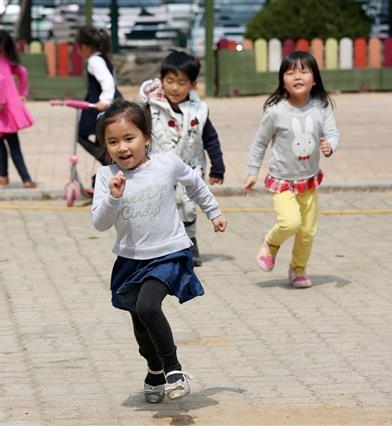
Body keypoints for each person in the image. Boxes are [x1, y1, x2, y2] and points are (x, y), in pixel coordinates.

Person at [91, 99, 228, 403]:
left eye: (130, 138)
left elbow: (195, 183)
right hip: (130, 259)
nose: (122, 147)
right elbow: (99, 224)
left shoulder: (166, 164)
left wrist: (214, 212)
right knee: (138, 319)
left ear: (146, 137)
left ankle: (173, 369)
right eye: (113, 142)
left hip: (169, 253)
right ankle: (154, 368)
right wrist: (113, 197)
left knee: (148, 307)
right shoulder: (106, 177)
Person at [241, 51, 339, 288]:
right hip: (282, 180)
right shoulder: (276, 111)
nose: (297, 76)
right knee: (290, 223)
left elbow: (332, 134)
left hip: (308, 180)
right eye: (290, 72)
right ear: (282, 80)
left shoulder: (321, 107)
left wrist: (330, 145)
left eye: (304, 71)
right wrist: (252, 171)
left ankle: (298, 269)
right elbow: (260, 142)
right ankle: (271, 243)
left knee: (307, 231)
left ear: (314, 79)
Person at [139, 50, 225, 266]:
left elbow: (211, 138)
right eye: (169, 81)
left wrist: (218, 167)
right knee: (161, 206)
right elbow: (139, 134)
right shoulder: (151, 106)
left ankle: (190, 241)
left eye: (181, 82)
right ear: (161, 80)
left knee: (187, 206)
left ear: (193, 84)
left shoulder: (199, 111)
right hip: (158, 167)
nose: (175, 88)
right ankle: (161, 247)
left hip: (190, 167)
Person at [0, 26, 37, 189]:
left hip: (5, 110)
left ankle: (26, 179)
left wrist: (0, 102)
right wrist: (22, 92)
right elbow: (22, 71)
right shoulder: (2, 60)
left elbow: (0, 80)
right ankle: (2, 174)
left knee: (13, 145)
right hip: (11, 107)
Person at [75, 25, 122, 168]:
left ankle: (110, 164)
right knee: (101, 139)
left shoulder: (94, 61)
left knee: (81, 135)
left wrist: (105, 101)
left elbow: (107, 81)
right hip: (109, 104)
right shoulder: (103, 58)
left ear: (84, 47)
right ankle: (107, 170)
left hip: (102, 106)